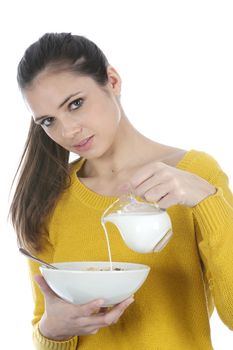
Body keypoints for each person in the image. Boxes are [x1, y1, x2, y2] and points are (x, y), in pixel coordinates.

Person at [9, 32, 233, 350]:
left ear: (112, 81)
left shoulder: (194, 174)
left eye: (75, 104)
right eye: (48, 121)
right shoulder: (47, 197)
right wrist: (52, 331)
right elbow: (43, 327)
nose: (68, 130)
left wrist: (208, 200)